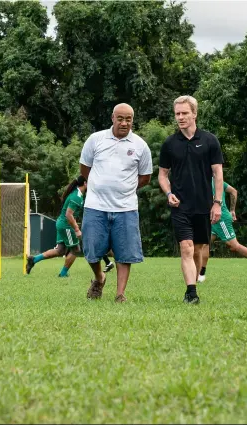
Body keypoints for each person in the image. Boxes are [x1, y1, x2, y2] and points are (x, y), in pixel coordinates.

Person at [79, 103, 153, 302]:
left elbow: (145, 177)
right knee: (92, 249)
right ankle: (99, 277)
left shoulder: (140, 146)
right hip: (95, 206)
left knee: (125, 252)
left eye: (128, 119)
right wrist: (99, 185)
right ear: (112, 117)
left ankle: (120, 294)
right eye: (120, 118)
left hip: (126, 208)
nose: (124, 123)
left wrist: (125, 188)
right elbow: (85, 169)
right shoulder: (95, 140)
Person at [158, 95, 224, 304]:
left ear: (194, 113)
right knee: (186, 246)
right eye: (177, 113)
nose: (180, 117)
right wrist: (169, 194)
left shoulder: (210, 140)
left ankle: (192, 288)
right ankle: (192, 292)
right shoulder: (169, 143)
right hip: (180, 206)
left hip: (204, 205)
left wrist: (217, 203)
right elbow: (162, 175)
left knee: (197, 249)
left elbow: (218, 174)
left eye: (185, 113)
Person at [198, 177, 247, 283]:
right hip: (212, 219)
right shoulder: (215, 180)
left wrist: (232, 211)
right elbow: (233, 191)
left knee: (234, 245)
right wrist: (232, 210)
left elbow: (233, 192)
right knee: (204, 244)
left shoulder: (205, 181)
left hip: (220, 219)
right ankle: (201, 275)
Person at [26, 176, 87, 277]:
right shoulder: (76, 196)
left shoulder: (77, 194)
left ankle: (34, 259)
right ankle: (63, 274)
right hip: (66, 226)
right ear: (85, 183)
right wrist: (76, 229)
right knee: (76, 250)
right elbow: (69, 215)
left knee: (60, 250)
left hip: (61, 223)